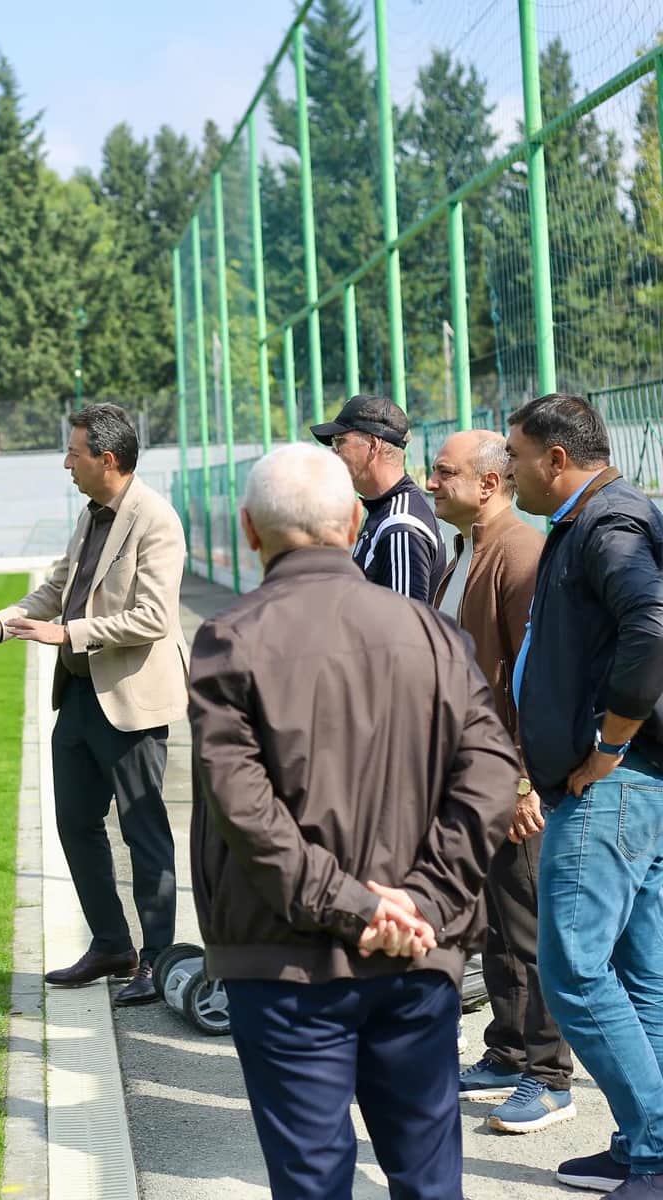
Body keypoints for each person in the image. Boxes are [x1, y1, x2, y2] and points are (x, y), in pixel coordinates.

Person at [188, 442, 519, 1200]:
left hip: (287, 960)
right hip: (415, 951)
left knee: (312, 1179)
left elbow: (245, 810)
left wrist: (362, 906)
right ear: (350, 526)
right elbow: (491, 774)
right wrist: (422, 902)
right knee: (429, 1178)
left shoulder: (230, 639)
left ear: (249, 529)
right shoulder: (432, 634)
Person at [0, 403, 187, 1005]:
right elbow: (57, 587)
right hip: (78, 694)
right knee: (75, 821)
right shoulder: (90, 514)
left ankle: (158, 960)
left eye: (74, 453)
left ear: (107, 459)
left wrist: (67, 634)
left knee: (143, 830)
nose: (66, 463)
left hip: (129, 698)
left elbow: (153, 618)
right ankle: (113, 945)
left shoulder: (156, 519)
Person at [507, 394, 663, 1196]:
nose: (510, 472)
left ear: (557, 458)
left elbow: (652, 626)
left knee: (572, 969)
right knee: (640, 975)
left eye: (515, 457)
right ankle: (644, 1142)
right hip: (628, 789)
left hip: (612, 789)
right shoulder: (591, 520)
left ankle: (656, 1149)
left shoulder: (609, 521)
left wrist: (609, 743)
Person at [428, 430, 574, 1134]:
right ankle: (509, 1053)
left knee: (530, 923)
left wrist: (521, 781)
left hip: (508, 778)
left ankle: (549, 1076)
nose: (431, 483)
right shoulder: (464, 550)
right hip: (470, 774)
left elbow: (534, 678)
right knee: (498, 924)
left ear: (489, 483)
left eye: (444, 472)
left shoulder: (519, 554)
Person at [311, 393, 447, 601]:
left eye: (339, 441)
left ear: (373, 445)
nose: (334, 452)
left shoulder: (400, 526)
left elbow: (403, 619)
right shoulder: (385, 510)